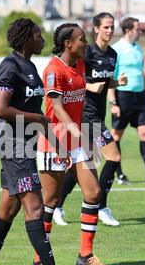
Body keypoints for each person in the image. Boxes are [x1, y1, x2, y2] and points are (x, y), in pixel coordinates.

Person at [0, 18, 85, 265]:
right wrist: (38, 119)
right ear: (25, 39)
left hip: (26, 144)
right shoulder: (10, 66)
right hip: (12, 145)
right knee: (35, 208)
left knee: (8, 208)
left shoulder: (31, 67)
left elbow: (40, 120)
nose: (41, 37)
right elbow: (1, 109)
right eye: (36, 34)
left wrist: (56, 145)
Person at [34, 22, 116, 265]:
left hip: (75, 142)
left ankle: (86, 257)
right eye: (82, 39)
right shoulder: (53, 69)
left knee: (93, 193)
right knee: (50, 200)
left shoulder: (80, 64)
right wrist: (76, 130)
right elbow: (56, 106)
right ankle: (39, 259)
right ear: (68, 44)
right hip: (54, 142)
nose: (86, 43)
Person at [53, 13, 128, 228]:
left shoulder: (112, 54)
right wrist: (89, 87)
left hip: (98, 114)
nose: (109, 30)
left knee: (80, 162)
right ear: (95, 29)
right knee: (113, 156)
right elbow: (75, 80)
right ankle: (101, 207)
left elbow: (103, 82)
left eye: (111, 26)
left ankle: (57, 205)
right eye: (105, 26)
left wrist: (116, 82)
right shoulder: (86, 52)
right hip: (86, 115)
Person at [110, 17, 145, 185]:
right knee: (116, 136)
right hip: (123, 97)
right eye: (137, 28)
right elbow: (111, 79)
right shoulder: (116, 50)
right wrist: (113, 103)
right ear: (128, 30)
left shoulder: (139, 49)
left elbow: (141, 74)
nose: (140, 31)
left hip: (140, 98)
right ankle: (119, 174)